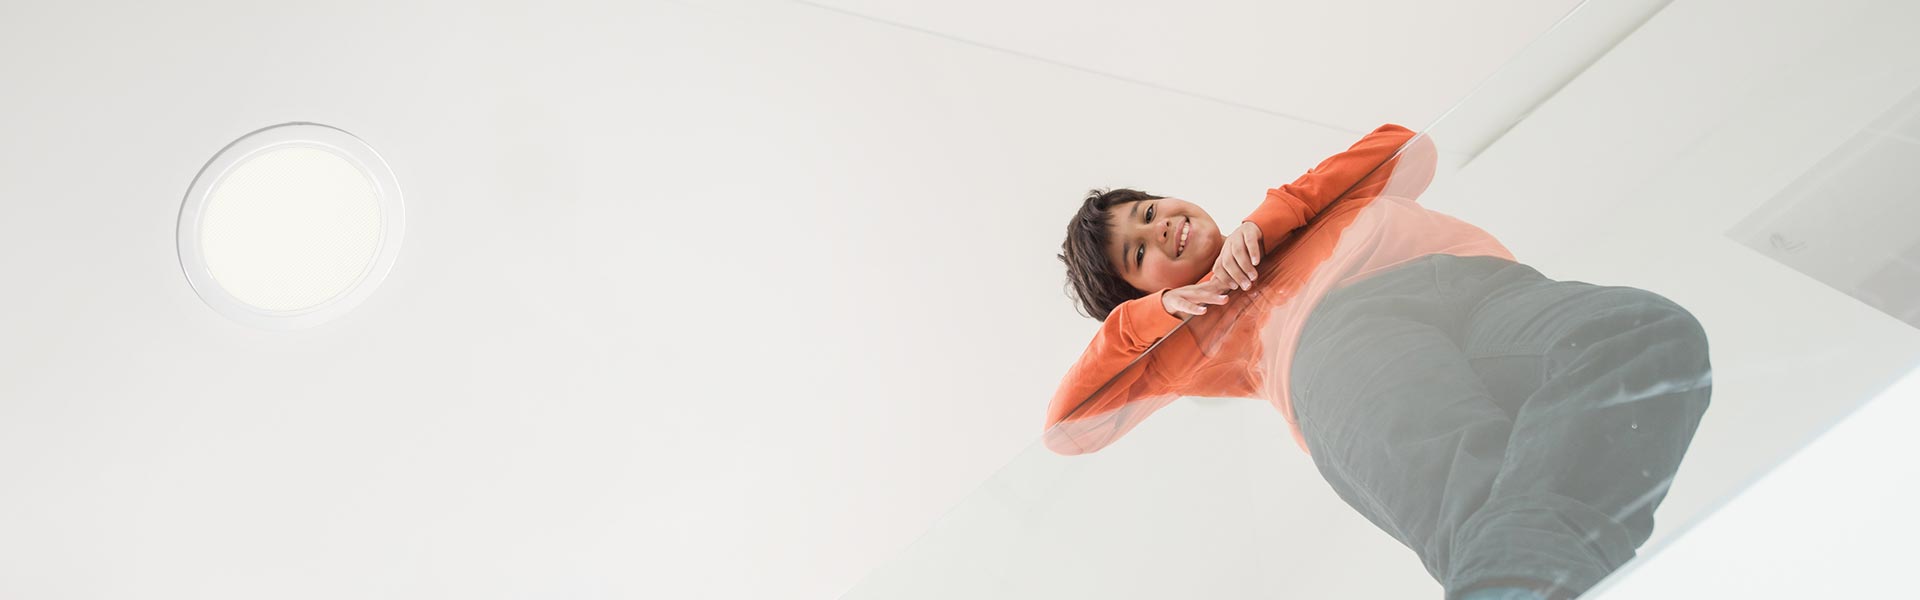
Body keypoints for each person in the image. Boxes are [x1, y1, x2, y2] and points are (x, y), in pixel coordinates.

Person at [1047, 124, 1713, 600]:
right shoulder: (1189, 341)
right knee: (1469, 502)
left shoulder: (1300, 212)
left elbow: (1405, 147)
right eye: (1138, 253)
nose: (1158, 226)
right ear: (1143, 290)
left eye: (1148, 211)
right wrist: (1159, 314)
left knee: (1642, 336)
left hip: (1477, 293)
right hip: (1340, 354)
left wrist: (1272, 220)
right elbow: (1070, 425)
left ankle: (1524, 573)